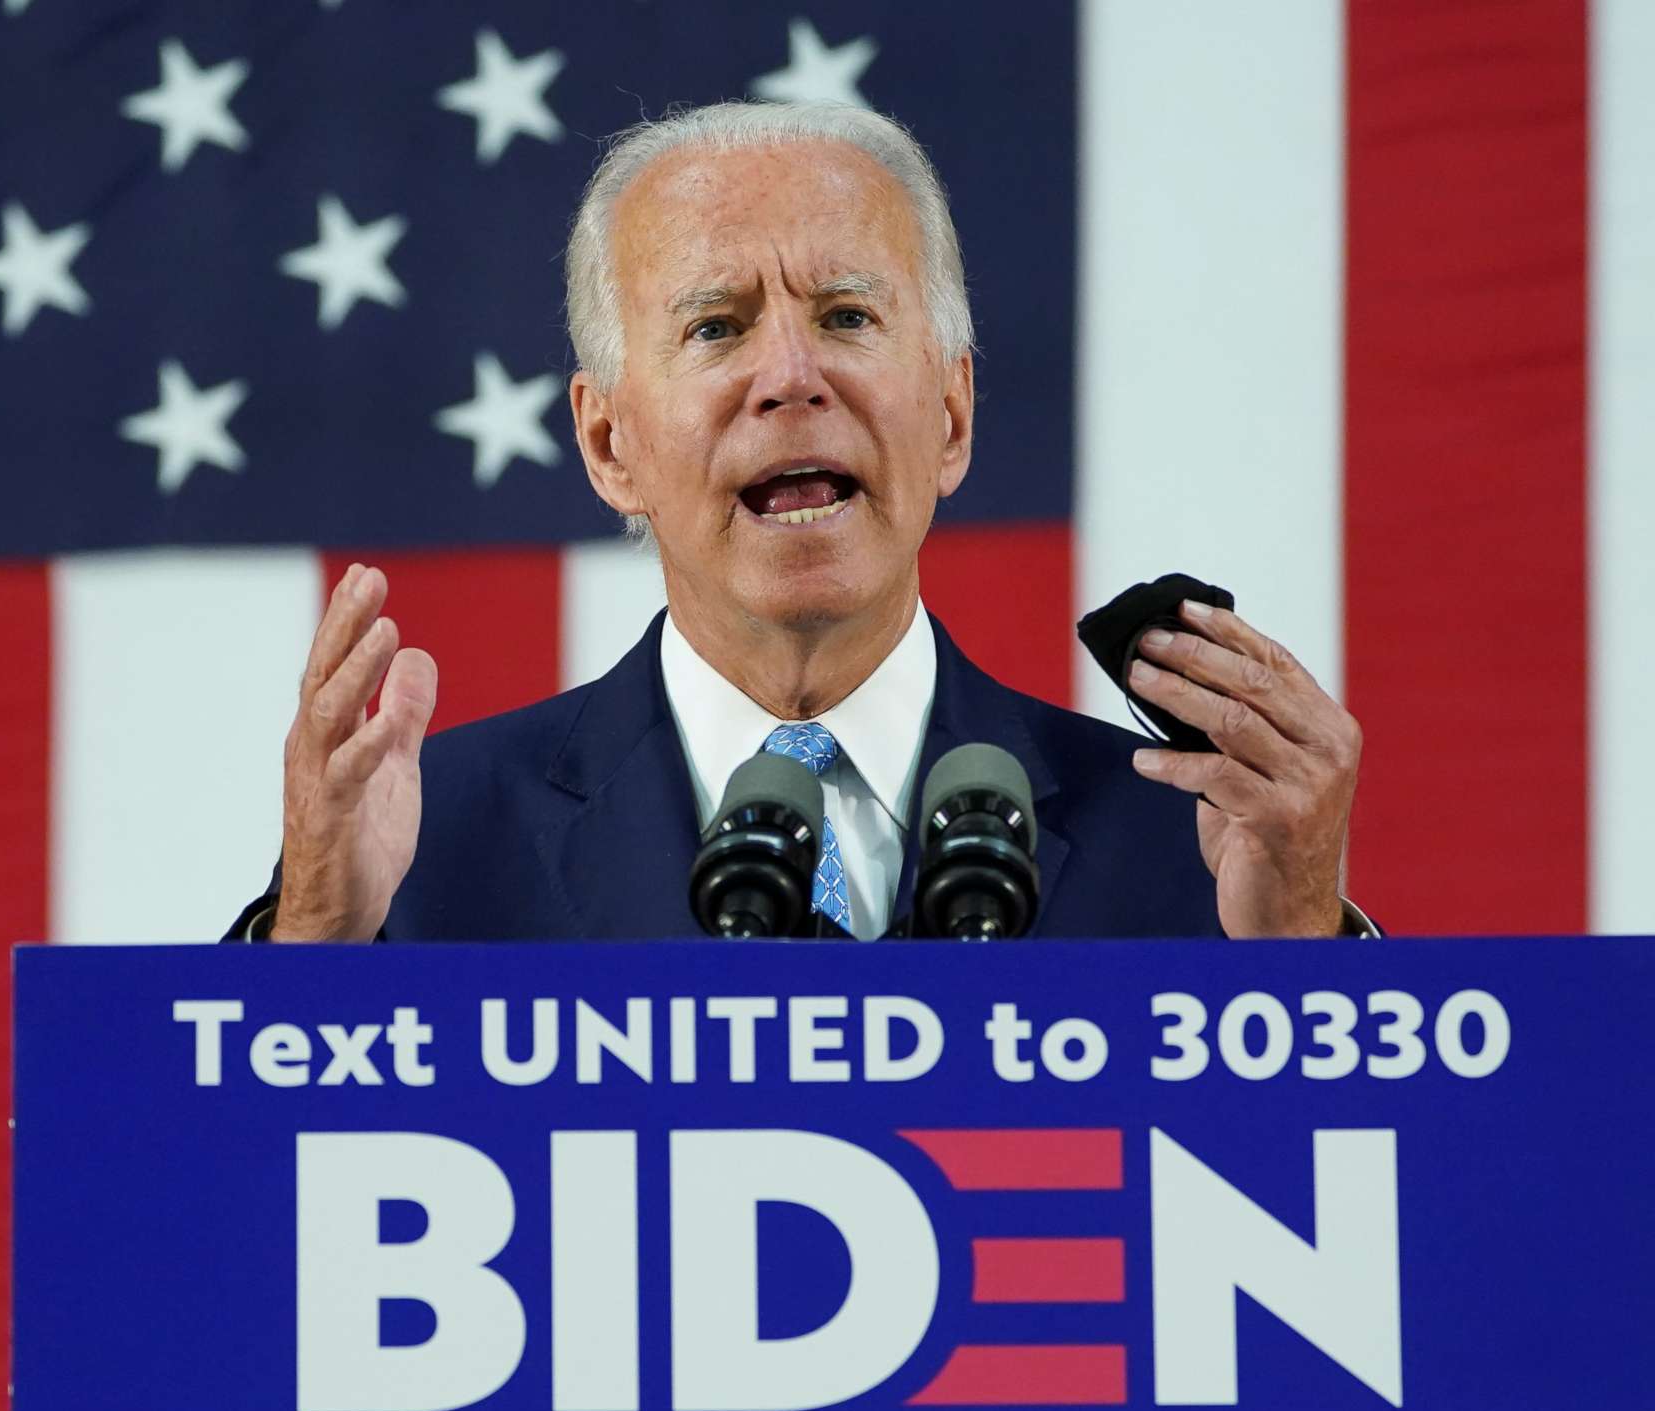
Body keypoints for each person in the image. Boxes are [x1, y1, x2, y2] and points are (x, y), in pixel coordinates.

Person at [228, 101, 1367, 945]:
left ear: (954, 416)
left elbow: (1358, 1234)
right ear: (610, 444)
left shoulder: (1195, 841)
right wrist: (310, 956)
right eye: (718, 327)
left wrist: (1301, 951)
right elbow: (226, 1235)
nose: (789, 374)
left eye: (847, 314)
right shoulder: (425, 850)